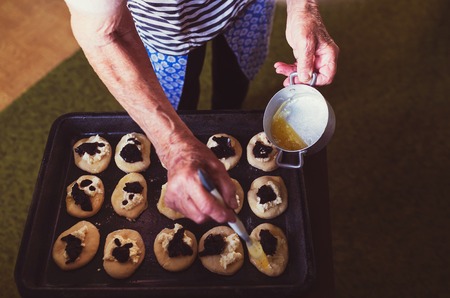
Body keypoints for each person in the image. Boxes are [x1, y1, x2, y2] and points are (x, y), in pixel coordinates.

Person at [64, 0, 339, 224]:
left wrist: (304, 7)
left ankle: (228, 108)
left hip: (247, 6)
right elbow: (104, 34)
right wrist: (174, 146)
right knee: (180, 106)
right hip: (165, 26)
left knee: (234, 85)